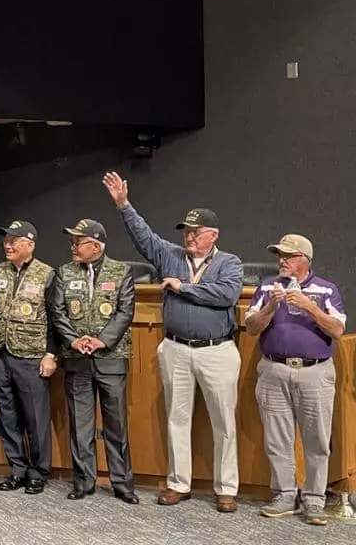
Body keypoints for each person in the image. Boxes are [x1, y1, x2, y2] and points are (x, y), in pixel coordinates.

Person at [102, 172, 243, 513]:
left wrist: (183, 288)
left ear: (214, 235)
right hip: (177, 348)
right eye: (187, 231)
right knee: (176, 418)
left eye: (196, 232)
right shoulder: (171, 255)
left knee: (223, 421)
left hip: (217, 350)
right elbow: (143, 237)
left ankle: (226, 488)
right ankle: (179, 483)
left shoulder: (230, 263)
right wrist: (123, 205)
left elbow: (226, 295)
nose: (190, 236)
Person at [245, 234, 346, 527]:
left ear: (305, 260)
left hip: (316, 372)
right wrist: (270, 308)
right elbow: (251, 328)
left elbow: (337, 330)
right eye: (280, 255)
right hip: (274, 370)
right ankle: (285, 495)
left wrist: (309, 306)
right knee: (277, 439)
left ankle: (314, 499)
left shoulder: (326, 289)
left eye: (288, 256)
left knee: (316, 439)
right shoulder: (266, 287)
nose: (282, 261)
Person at [50, 219, 138, 505]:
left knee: (116, 425)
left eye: (79, 242)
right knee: (81, 425)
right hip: (76, 359)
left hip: (110, 359)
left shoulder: (121, 271)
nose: (73, 247)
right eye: (72, 242)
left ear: (97, 245)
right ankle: (84, 480)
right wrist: (74, 340)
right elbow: (57, 312)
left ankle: (122, 483)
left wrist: (102, 340)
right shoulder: (64, 272)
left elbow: (125, 312)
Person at [0, 220, 57, 494]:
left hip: (32, 356)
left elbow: (55, 319)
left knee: (35, 417)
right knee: (8, 415)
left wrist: (51, 354)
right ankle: (17, 469)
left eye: (14, 240)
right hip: (1, 353)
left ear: (30, 244)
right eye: (6, 240)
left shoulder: (46, 274)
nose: (7, 245)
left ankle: (38, 471)